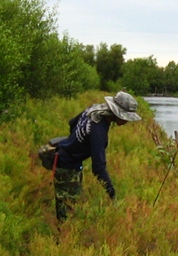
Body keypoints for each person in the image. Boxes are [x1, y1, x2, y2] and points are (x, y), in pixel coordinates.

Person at [53, 91, 141, 221]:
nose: (127, 121)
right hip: (67, 166)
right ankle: (61, 239)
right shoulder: (98, 130)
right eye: (126, 117)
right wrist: (112, 193)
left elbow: (72, 123)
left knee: (67, 204)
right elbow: (98, 168)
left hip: (65, 157)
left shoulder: (94, 109)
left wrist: (77, 142)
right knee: (67, 212)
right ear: (117, 113)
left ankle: (62, 236)